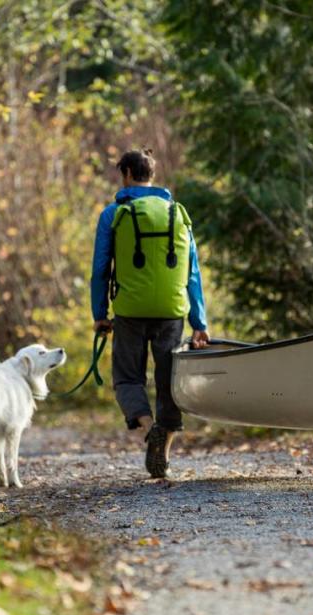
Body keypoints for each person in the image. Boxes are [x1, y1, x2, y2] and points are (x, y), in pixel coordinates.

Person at [90, 149, 210, 478]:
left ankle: (147, 429)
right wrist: (200, 322)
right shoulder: (177, 213)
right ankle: (164, 454)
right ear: (152, 175)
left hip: (129, 310)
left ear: (127, 173)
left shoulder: (113, 213)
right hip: (172, 311)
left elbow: (101, 268)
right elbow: (192, 272)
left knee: (128, 377)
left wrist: (100, 313)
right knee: (169, 379)